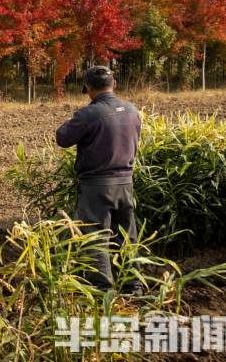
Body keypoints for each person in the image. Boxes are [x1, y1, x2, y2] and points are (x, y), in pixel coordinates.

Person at [55, 65, 143, 294]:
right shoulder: (132, 110)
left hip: (97, 185)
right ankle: (133, 286)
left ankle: (103, 290)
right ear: (114, 84)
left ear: (87, 87)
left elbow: (62, 138)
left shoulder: (90, 114)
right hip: (126, 182)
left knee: (95, 236)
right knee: (127, 235)